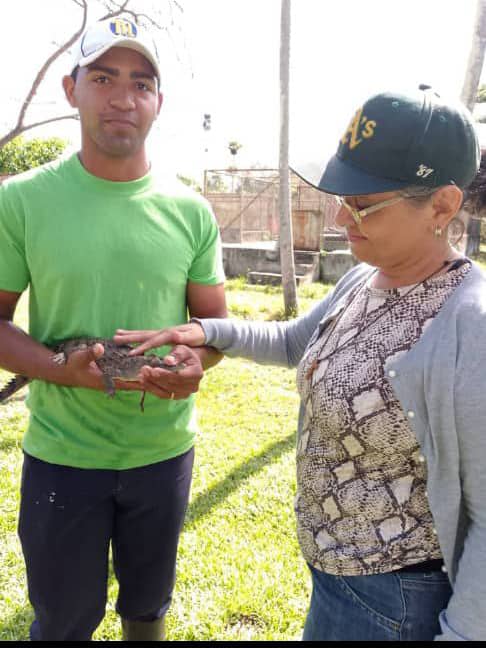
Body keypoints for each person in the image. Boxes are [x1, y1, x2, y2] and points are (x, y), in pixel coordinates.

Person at [115, 87, 486, 641]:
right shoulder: (368, 277)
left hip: (397, 601)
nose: (339, 214)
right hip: (335, 577)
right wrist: (207, 330)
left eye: (362, 202)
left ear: (442, 205)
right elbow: (294, 342)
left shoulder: (467, 324)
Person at [0, 17, 226, 642]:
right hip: (62, 459)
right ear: (73, 90)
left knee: (147, 609)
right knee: (65, 620)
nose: (122, 98)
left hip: (163, 454)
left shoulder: (190, 211)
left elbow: (213, 330)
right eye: (103, 78)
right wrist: (55, 369)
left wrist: (193, 365)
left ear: (158, 102)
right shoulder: (20, 201)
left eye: (141, 83)